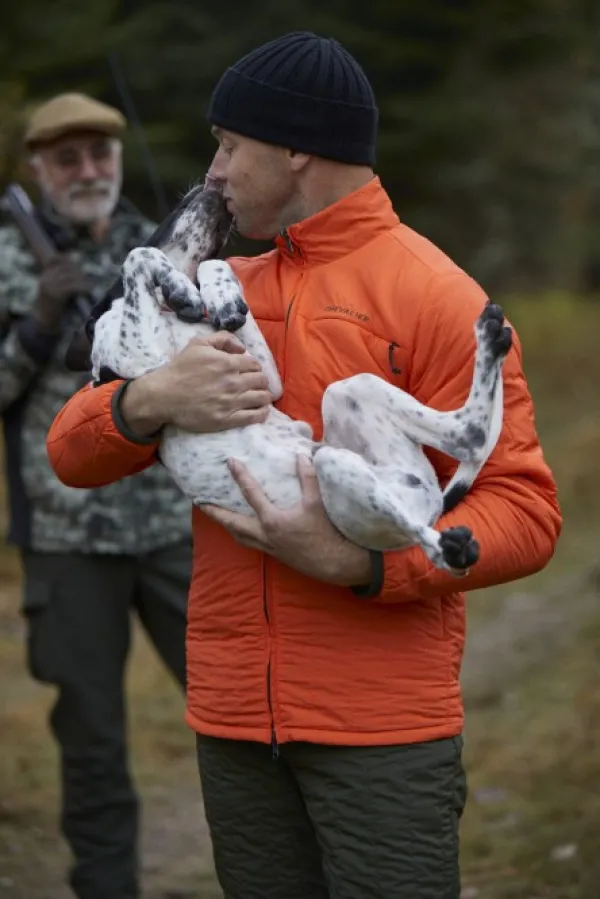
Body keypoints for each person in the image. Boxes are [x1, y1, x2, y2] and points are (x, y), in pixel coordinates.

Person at [46, 35, 562, 899]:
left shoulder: (438, 295)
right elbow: (70, 452)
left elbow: (526, 511)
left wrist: (364, 565)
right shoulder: (221, 285)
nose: (213, 171)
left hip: (382, 729)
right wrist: (149, 399)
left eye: (228, 145)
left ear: (295, 149)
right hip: (234, 724)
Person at [0, 93, 193, 899]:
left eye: (100, 154)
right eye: (67, 158)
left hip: (176, 521)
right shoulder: (7, 257)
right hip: (67, 536)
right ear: (38, 167)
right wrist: (40, 322)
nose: (88, 171)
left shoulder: (164, 244)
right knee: (92, 741)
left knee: (244, 703)